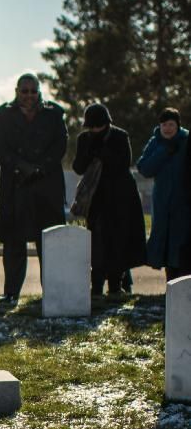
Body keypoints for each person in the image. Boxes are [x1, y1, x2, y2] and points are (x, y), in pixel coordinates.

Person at [0, 74, 68, 305]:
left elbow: (60, 146)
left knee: (49, 242)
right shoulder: (3, 115)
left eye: (33, 91)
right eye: (24, 91)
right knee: (14, 243)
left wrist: (40, 168)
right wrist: (22, 167)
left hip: (46, 185)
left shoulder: (54, 115)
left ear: (39, 92)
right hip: (15, 186)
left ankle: (53, 292)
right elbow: (0, 147)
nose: (29, 96)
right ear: (17, 91)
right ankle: (11, 291)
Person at [72, 103, 146, 297]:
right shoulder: (84, 139)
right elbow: (78, 167)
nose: (95, 130)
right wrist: (90, 151)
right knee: (96, 243)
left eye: (99, 126)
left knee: (118, 241)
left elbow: (123, 164)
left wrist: (102, 152)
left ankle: (115, 285)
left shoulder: (119, 136)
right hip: (95, 199)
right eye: (92, 127)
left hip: (119, 197)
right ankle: (96, 286)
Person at [137, 108, 191, 281]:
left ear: (177, 125)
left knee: (183, 244)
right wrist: (164, 151)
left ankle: (183, 285)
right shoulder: (156, 142)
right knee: (166, 245)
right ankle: (171, 285)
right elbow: (144, 168)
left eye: (171, 124)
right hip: (161, 203)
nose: (167, 128)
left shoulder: (186, 141)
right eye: (164, 125)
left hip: (184, 203)